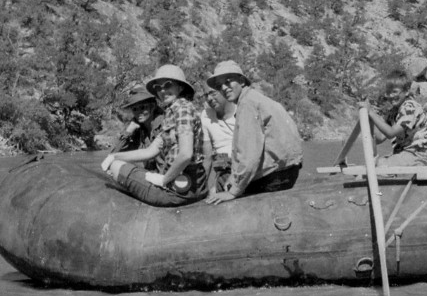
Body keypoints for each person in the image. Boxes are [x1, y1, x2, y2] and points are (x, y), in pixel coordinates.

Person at [101, 65, 207, 206]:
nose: (162, 90)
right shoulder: (171, 112)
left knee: (116, 168)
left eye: (168, 85)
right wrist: (114, 156)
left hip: (179, 189)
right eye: (158, 87)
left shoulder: (182, 109)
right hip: (191, 185)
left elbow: (186, 154)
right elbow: (150, 151)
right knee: (116, 162)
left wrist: (164, 180)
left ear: (180, 87)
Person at [204, 61, 303, 204]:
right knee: (230, 178)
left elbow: (249, 156)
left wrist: (233, 192)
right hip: (288, 172)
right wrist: (235, 175)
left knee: (222, 184)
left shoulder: (247, 105)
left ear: (241, 81)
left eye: (228, 81)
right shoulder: (256, 98)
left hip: (274, 177)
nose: (224, 88)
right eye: (220, 86)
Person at [365, 69, 427, 166]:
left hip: (417, 155)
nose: (391, 95)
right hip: (403, 154)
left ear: (406, 91)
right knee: (376, 163)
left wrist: (371, 113)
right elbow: (379, 138)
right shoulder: (393, 112)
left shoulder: (410, 108)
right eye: (388, 92)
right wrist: (369, 118)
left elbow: (390, 133)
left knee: (380, 164)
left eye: (395, 92)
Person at [110, 84, 162, 163]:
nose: (139, 112)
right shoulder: (137, 128)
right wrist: (128, 132)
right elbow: (113, 155)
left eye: (143, 107)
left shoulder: (164, 124)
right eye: (134, 109)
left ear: (153, 106)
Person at [200, 87, 236, 193]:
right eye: (206, 95)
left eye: (213, 93)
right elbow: (207, 156)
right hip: (222, 165)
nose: (209, 98)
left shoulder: (241, 110)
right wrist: (204, 185)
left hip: (241, 164)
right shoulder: (205, 115)